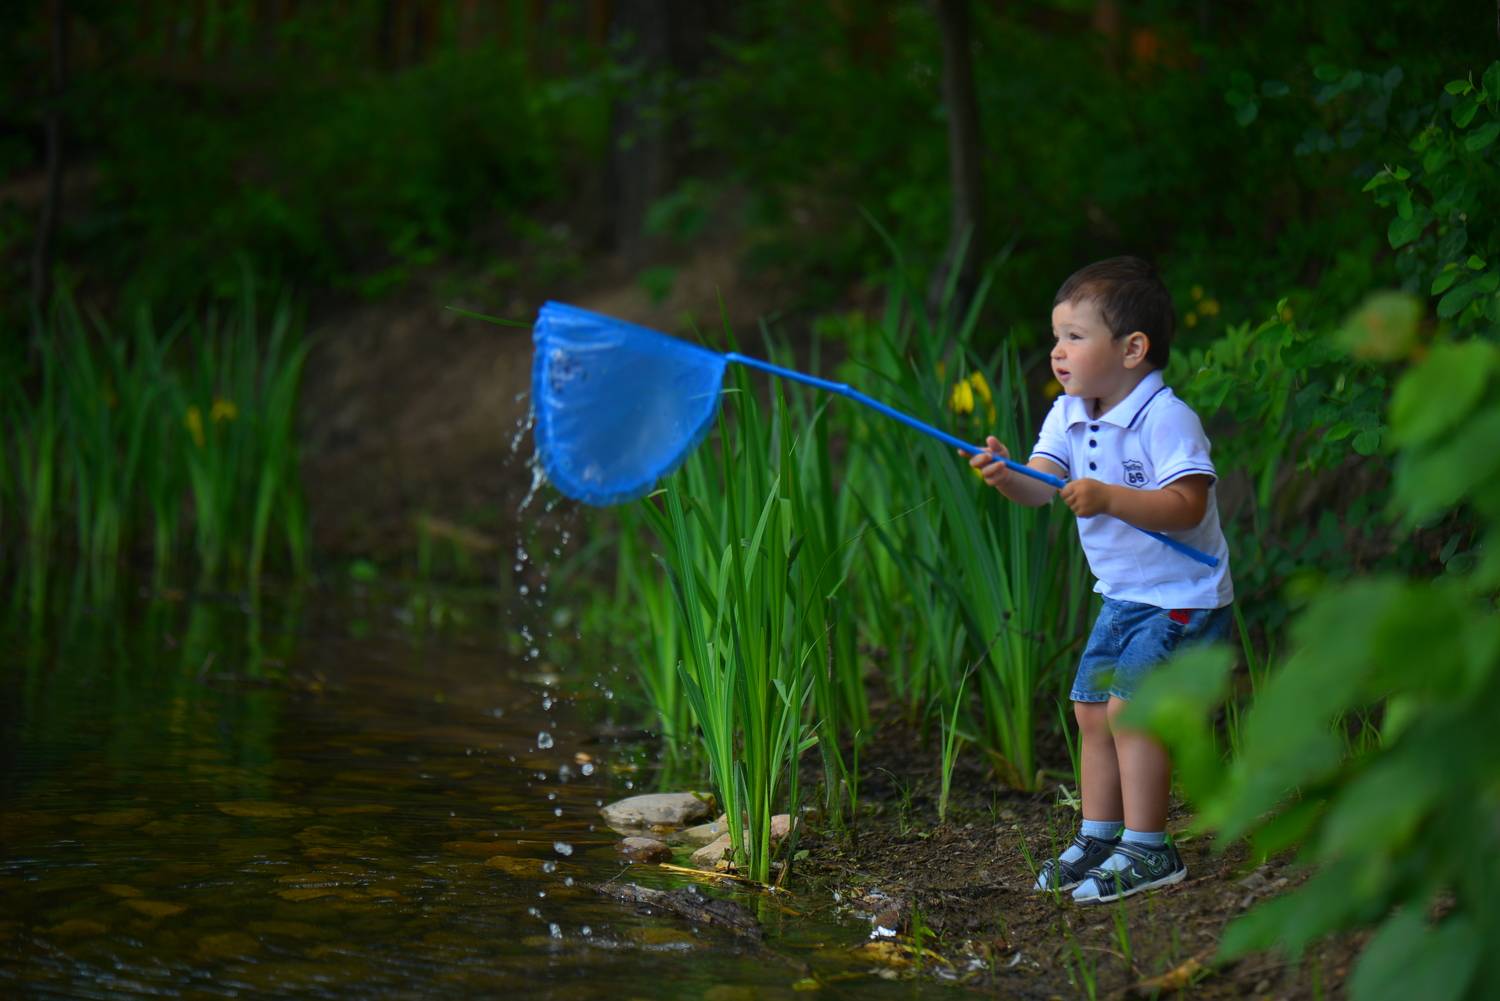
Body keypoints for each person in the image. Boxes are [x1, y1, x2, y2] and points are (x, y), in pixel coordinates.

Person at [965, 256, 1233, 903]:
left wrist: (1110, 497)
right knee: (1091, 709)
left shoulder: (1165, 417)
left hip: (1182, 597)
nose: (1057, 351)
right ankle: (1100, 834)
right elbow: (1041, 485)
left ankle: (1150, 847)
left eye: (1074, 336)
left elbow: (1187, 504)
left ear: (1132, 349)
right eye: (1056, 337)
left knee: (1131, 710)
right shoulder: (1068, 412)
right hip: (1121, 595)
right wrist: (1006, 476)